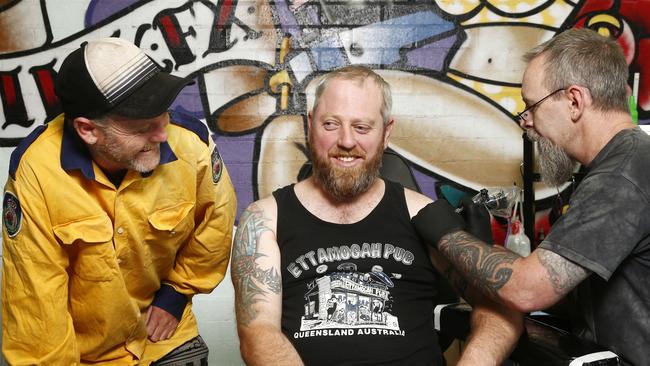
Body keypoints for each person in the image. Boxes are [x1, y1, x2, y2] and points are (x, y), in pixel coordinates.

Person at [231, 65, 522, 365]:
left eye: (362, 127)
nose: (346, 141)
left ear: (386, 133)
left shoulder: (422, 214)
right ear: (310, 125)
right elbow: (258, 333)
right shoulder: (265, 220)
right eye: (331, 124)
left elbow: (501, 303)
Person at [412, 28, 650, 365]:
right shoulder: (620, 164)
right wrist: (483, 258)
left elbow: (529, 289)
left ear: (574, 101)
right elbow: (565, 292)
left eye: (531, 106)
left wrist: (446, 234)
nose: (527, 123)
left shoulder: (622, 174)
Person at [1, 38, 237, 365]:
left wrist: (176, 295)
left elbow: (216, 222)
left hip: (165, 338)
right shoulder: (36, 174)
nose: (162, 135)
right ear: (87, 130)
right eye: (142, 127)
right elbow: (37, 306)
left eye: (162, 116)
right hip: (85, 353)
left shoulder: (191, 145)